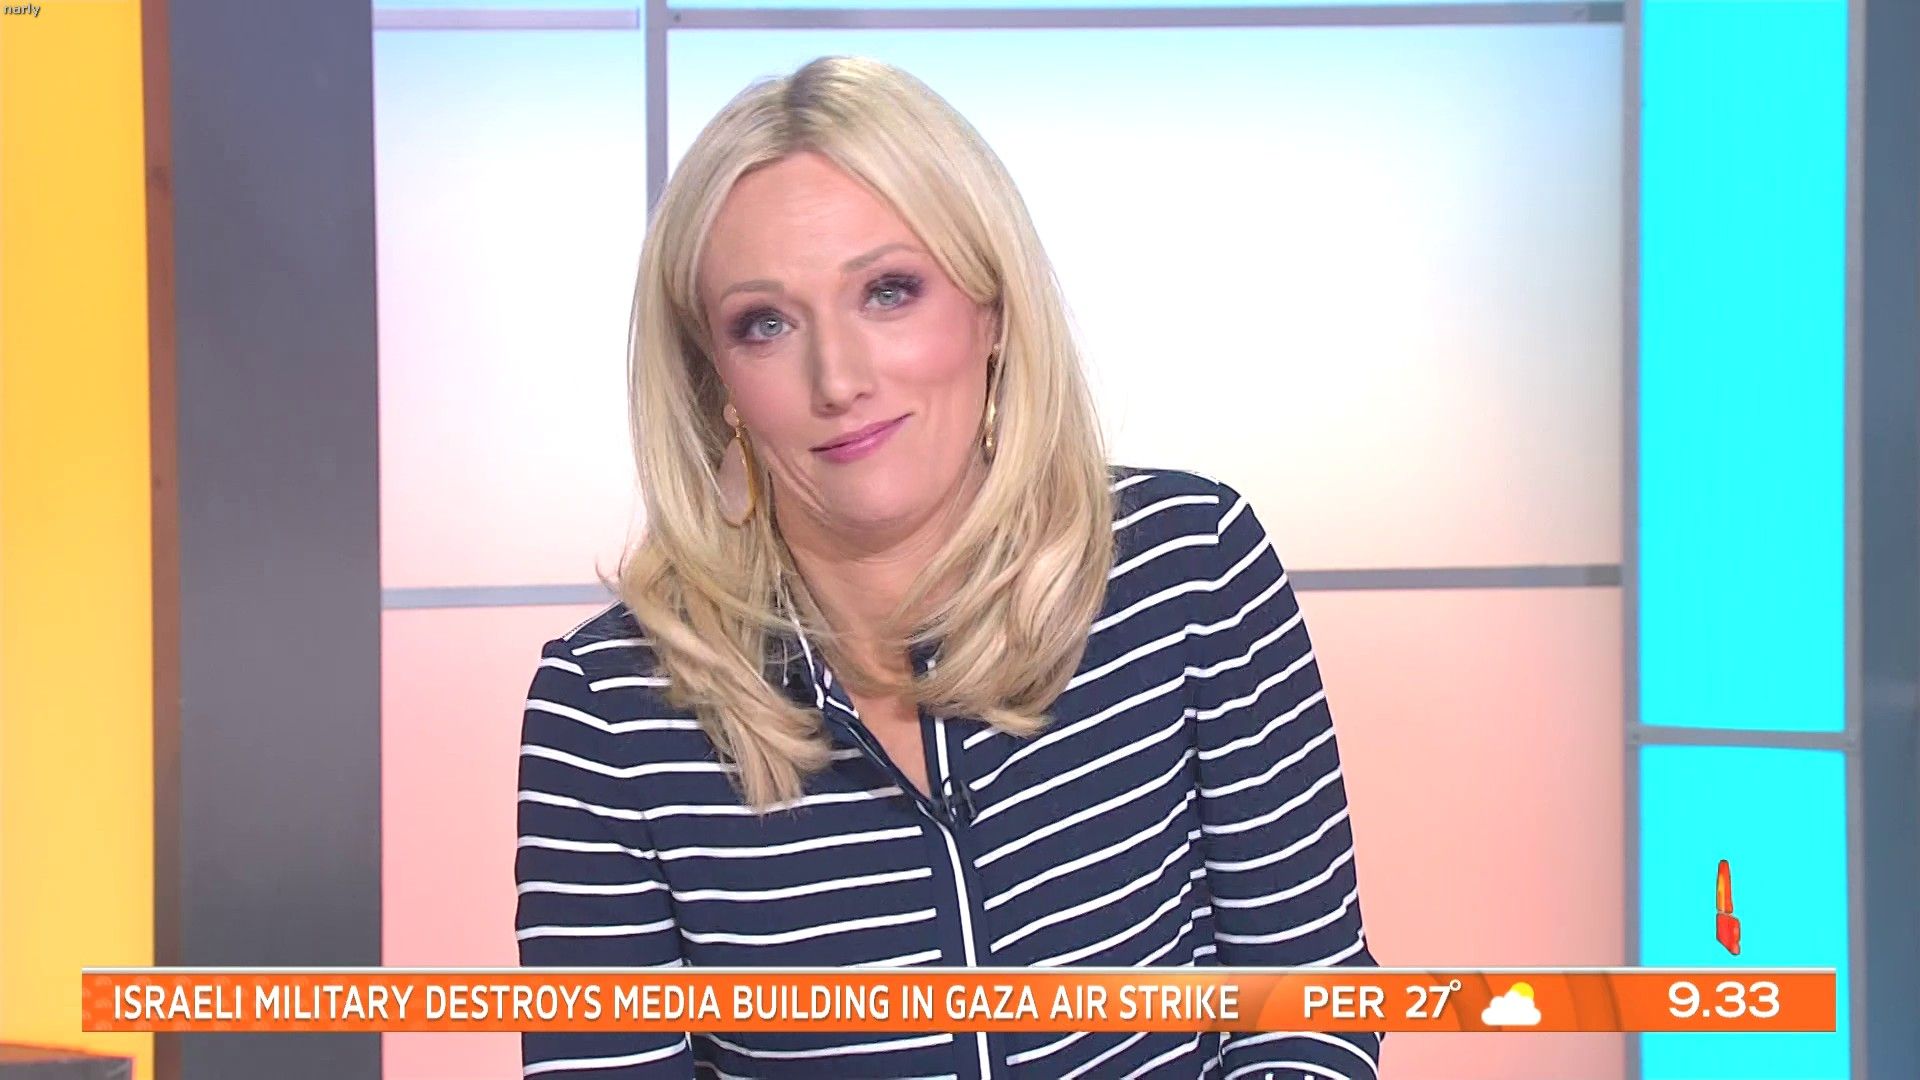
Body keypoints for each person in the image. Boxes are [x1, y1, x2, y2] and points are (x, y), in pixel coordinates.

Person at [515, 55, 1383, 1079]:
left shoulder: (1188, 570)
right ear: (717, 384)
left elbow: (1310, 1003)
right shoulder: (608, 713)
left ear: (993, 308)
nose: (838, 378)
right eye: (766, 324)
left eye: (888, 292)